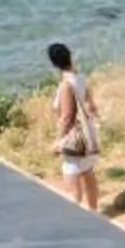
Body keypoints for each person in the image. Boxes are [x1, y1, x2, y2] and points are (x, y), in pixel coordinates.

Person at [47, 41, 103, 212]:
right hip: (87, 133)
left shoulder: (65, 86)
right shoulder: (80, 77)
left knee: (72, 184)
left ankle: (75, 220)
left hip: (75, 139)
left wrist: (58, 142)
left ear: (54, 64)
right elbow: (90, 105)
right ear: (70, 56)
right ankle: (94, 213)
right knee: (88, 172)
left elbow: (66, 117)